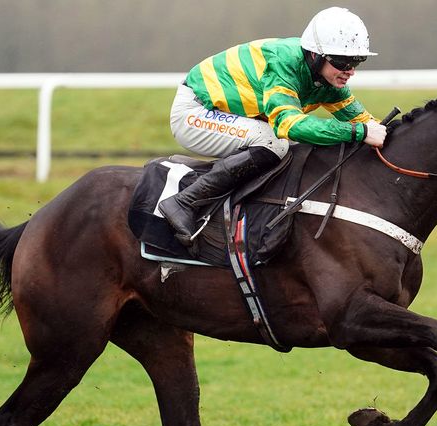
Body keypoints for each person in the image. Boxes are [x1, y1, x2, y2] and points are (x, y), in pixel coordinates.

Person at [159, 6, 388, 246]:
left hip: (230, 115)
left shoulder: (329, 80)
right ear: (315, 55)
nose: (350, 71)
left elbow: (367, 123)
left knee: (297, 149)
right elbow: (289, 125)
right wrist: (357, 132)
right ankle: (184, 202)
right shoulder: (284, 63)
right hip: (196, 112)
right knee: (274, 141)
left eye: (357, 62)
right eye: (343, 62)